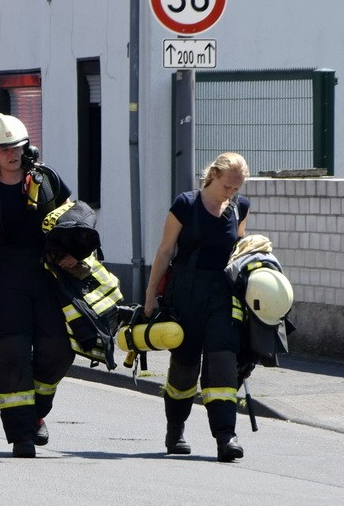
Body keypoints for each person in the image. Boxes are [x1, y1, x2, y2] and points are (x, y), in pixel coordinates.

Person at [0, 113, 73, 458]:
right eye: (4, 149)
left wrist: (74, 254)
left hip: (49, 281)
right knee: (13, 359)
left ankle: (37, 411)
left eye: (17, 147)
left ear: (28, 148)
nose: (12, 153)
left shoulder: (47, 180)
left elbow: (73, 219)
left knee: (59, 351)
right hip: (6, 285)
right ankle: (22, 435)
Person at [142, 152, 251, 462]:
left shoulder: (240, 208)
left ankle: (225, 436)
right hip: (186, 292)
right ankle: (175, 429)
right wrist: (150, 296)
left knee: (222, 360)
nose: (231, 192)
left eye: (237, 187)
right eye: (228, 185)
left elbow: (239, 252)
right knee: (185, 366)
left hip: (222, 294)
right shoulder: (185, 205)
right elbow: (164, 252)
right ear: (213, 175)